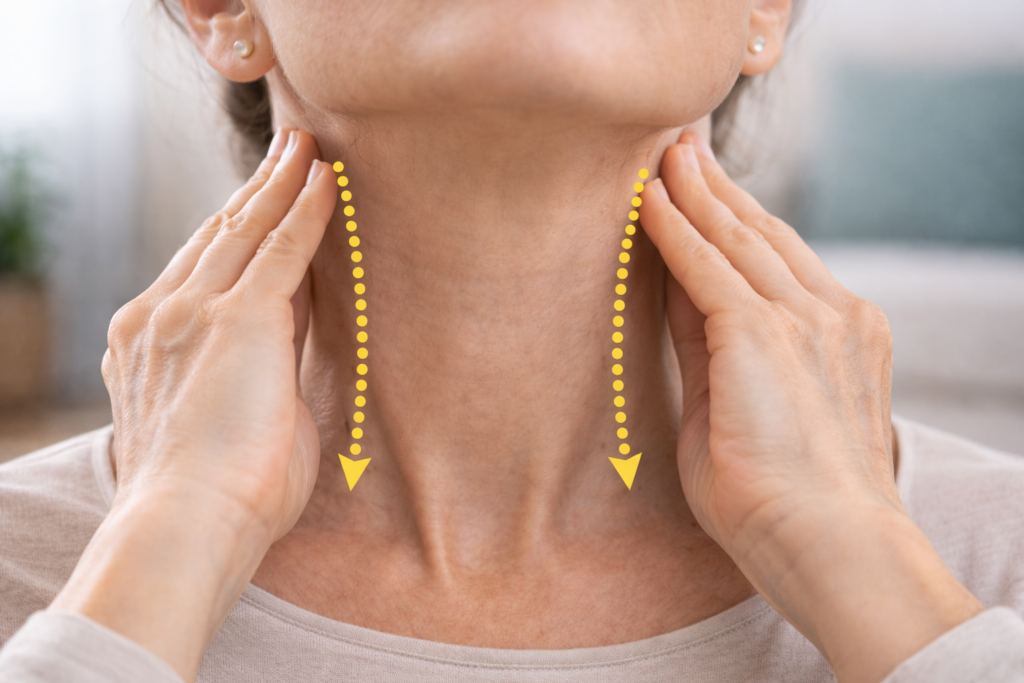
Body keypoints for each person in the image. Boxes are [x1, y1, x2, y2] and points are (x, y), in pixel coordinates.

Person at [1, 0, 1022, 681]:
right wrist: (167, 546)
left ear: (763, 8)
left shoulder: (994, 559)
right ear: (223, 8)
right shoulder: (33, 572)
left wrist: (873, 581)